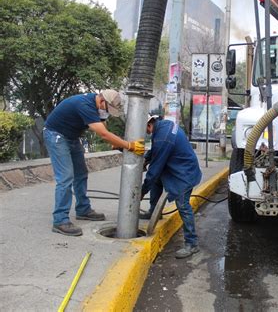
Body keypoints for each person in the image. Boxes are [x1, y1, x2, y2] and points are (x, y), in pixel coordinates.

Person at [43, 90, 145, 236]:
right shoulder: (85, 105)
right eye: (108, 109)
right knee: (65, 177)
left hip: (71, 137)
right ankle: (60, 220)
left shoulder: (98, 105)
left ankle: (83, 209)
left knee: (81, 173)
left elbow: (104, 128)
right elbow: (102, 134)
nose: (108, 113)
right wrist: (128, 145)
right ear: (102, 101)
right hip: (56, 136)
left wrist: (114, 143)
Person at [141, 115, 202, 259]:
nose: (146, 133)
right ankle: (153, 211)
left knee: (183, 205)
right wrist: (147, 158)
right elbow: (157, 149)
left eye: (145, 129)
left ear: (149, 125)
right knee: (157, 182)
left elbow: (154, 169)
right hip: (181, 167)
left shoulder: (163, 136)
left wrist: (142, 192)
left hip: (184, 174)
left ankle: (192, 243)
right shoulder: (165, 125)